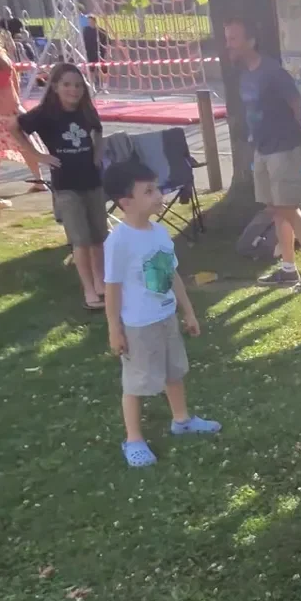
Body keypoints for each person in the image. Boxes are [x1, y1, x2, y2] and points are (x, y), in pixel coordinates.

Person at [102, 155, 221, 467]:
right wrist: (114, 329)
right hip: (138, 327)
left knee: (173, 372)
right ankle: (133, 439)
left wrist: (188, 311)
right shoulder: (119, 242)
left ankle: (182, 420)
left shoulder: (159, 232)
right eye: (149, 191)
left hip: (166, 317)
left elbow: (172, 274)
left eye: (157, 188)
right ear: (126, 202)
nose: (159, 195)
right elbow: (112, 288)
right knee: (136, 383)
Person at [224, 17, 301, 288]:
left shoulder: (273, 72)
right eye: (227, 38)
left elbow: (297, 106)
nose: (228, 44)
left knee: (289, 209)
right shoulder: (245, 74)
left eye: (233, 38)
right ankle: (289, 268)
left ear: (251, 41)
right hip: (263, 149)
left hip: (284, 149)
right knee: (277, 210)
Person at [13, 62, 108, 309]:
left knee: (99, 237)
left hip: (92, 181)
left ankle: (101, 282)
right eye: (67, 84)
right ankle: (89, 290)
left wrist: (98, 153)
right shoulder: (46, 113)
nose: (73, 90)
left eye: (78, 85)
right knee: (81, 240)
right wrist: (37, 155)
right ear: (55, 86)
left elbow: (98, 131)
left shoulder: (86, 110)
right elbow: (16, 127)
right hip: (66, 186)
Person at [0, 30, 43, 190]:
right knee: (24, 145)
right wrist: (16, 102)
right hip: (12, 106)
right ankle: (39, 180)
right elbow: (15, 81)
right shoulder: (3, 57)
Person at [81, 15, 111, 87]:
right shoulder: (85, 31)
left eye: (91, 21)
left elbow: (108, 43)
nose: (89, 23)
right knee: (91, 70)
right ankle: (92, 86)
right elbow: (82, 42)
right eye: (88, 21)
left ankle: (105, 86)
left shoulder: (101, 31)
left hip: (101, 53)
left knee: (103, 70)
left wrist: (109, 53)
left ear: (94, 22)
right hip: (90, 53)